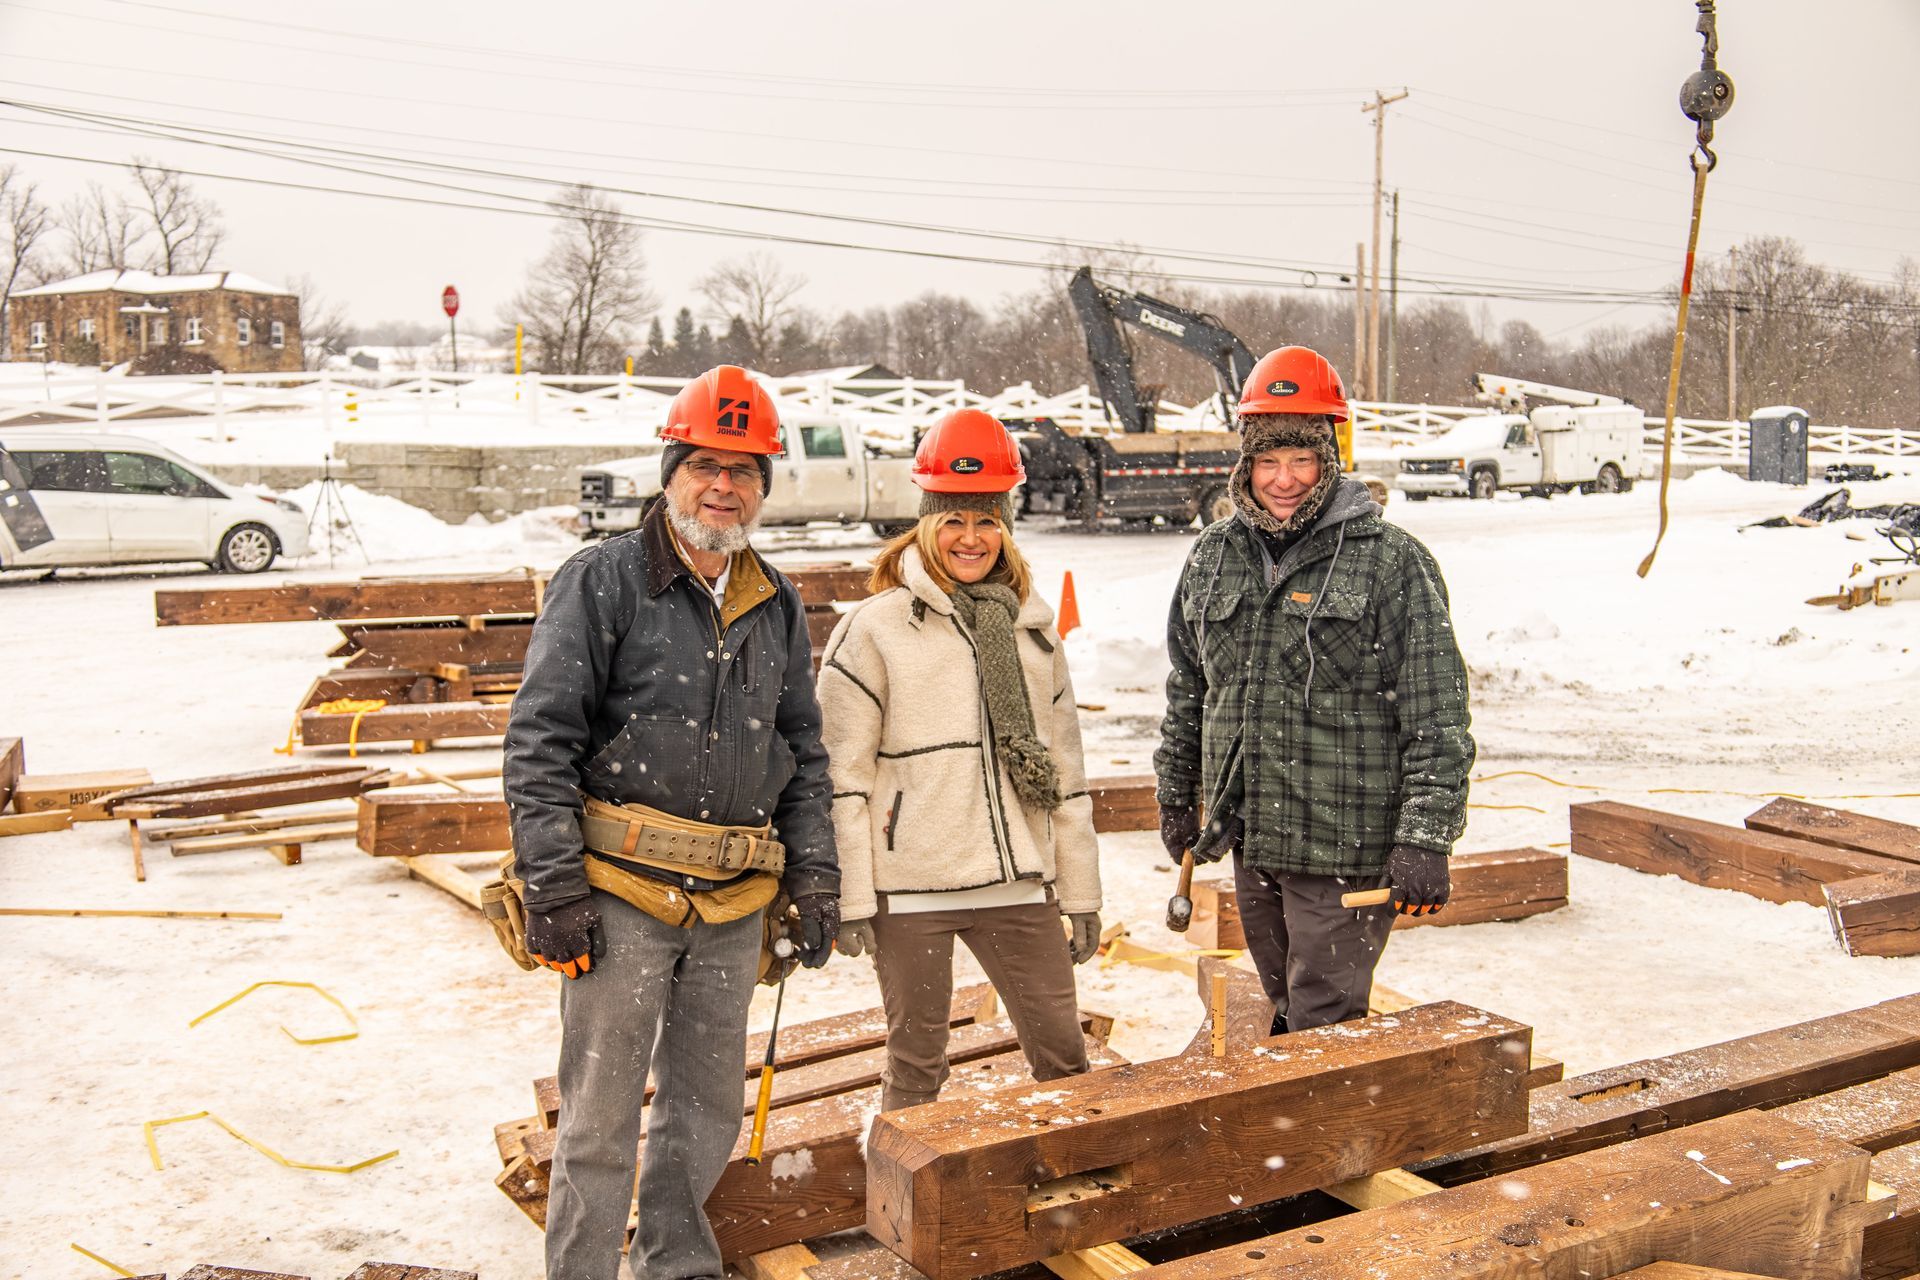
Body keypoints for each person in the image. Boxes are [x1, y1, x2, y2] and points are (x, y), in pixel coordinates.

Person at [504, 364, 840, 1280]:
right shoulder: (603, 582)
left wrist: (814, 875)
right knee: (601, 1120)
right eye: (704, 465)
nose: (722, 487)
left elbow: (801, 749)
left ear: (764, 488)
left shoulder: (775, 601)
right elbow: (541, 742)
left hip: (733, 903)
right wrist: (554, 888)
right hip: (619, 896)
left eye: (743, 471)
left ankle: (677, 1268)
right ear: (670, 472)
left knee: (702, 1114)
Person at [1153, 346, 1474, 1036]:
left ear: (1329, 460)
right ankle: (1291, 1129)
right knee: (1284, 1002)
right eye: (1268, 461)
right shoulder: (1214, 555)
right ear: (1246, 464)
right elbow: (1191, 687)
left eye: (1301, 459)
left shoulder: (1390, 562)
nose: (1284, 480)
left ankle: (1317, 1138)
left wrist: (1425, 837)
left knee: (1324, 1021)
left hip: (1346, 847)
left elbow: (1437, 713)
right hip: (1256, 839)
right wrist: (1176, 794)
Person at [817, 408, 1102, 1112]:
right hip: (911, 893)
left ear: (1005, 526)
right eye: (953, 520)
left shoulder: (1033, 634)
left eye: (986, 521)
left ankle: (1081, 1202)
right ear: (924, 523)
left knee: (1065, 1061)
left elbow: (1064, 777)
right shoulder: (873, 630)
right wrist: (853, 896)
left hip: (1018, 887)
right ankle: (903, 1211)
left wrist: (1082, 890)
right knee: (916, 1067)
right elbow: (841, 779)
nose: (969, 539)